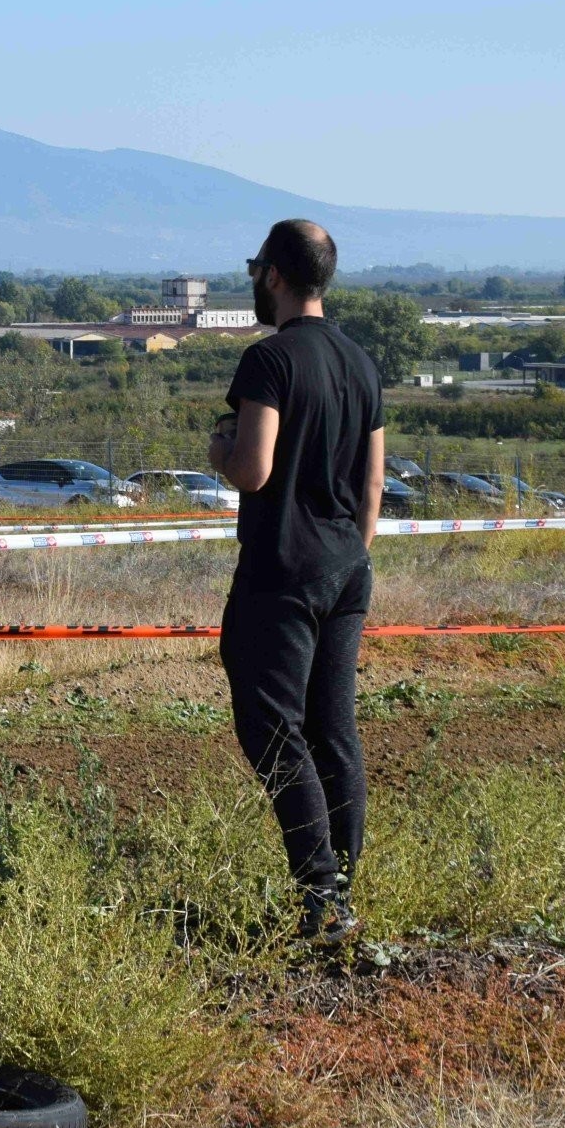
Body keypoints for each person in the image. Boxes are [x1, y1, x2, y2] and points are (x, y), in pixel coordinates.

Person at [207, 219, 385, 945]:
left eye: (257, 268)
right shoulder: (360, 363)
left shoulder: (269, 360)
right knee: (333, 729)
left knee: (272, 728)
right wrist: (349, 556)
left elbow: (254, 468)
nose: (255, 279)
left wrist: (219, 449)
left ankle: (323, 898)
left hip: (281, 569)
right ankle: (342, 885)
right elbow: (372, 485)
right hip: (347, 566)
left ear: (275, 276)